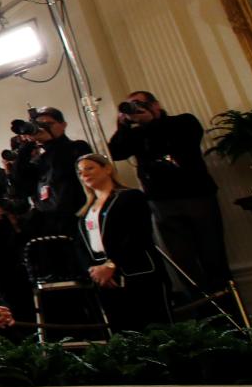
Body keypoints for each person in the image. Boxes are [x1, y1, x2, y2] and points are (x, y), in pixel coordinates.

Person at [108, 91, 231, 293]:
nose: (135, 109)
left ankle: (232, 311)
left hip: (196, 195)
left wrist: (151, 121)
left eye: (139, 104)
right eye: (130, 106)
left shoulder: (182, 122)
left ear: (155, 104)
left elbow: (184, 142)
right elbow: (116, 152)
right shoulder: (136, 133)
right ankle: (203, 314)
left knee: (213, 254)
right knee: (183, 262)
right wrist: (123, 125)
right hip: (161, 201)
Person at [75, 154, 171, 332]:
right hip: (105, 279)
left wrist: (113, 264)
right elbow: (82, 246)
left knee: (154, 328)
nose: (84, 174)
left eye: (90, 168)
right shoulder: (85, 211)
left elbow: (138, 234)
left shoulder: (130, 197)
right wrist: (94, 270)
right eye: (80, 172)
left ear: (107, 169)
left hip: (136, 272)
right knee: (124, 332)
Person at [13, 107, 93, 235]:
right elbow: (20, 186)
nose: (42, 128)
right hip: (48, 222)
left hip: (75, 218)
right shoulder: (39, 159)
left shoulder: (77, 147)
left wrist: (50, 139)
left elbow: (62, 167)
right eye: (39, 126)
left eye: (48, 124)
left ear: (63, 125)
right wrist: (26, 147)